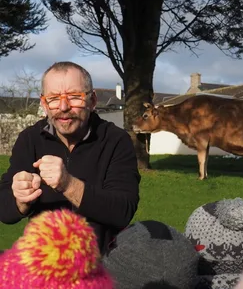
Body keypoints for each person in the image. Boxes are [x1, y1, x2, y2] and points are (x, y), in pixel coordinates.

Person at [0, 61, 141, 255]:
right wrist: (20, 200)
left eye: (75, 97)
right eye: (54, 98)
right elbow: (4, 211)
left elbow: (122, 211)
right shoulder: (30, 139)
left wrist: (68, 184)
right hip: (42, 266)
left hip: (101, 269)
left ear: (92, 101)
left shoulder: (116, 140)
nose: (64, 107)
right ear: (44, 103)